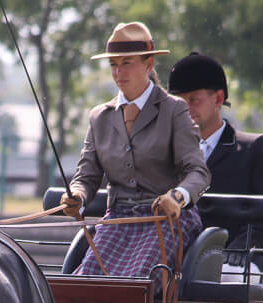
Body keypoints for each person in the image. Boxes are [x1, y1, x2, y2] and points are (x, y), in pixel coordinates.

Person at [60, 22, 209, 278]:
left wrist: (177, 196)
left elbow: (198, 171)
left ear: (149, 64)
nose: (119, 72)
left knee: (137, 280)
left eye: (127, 63)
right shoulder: (99, 117)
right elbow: (86, 176)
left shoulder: (174, 110)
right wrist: (77, 196)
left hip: (166, 220)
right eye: (113, 65)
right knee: (87, 279)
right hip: (118, 221)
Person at [166, 52, 263, 271]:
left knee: (229, 274)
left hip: (236, 260)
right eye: (179, 102)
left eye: (194, 100)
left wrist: (239, 248)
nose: (185, 108)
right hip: (173, 257)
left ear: (218, 99)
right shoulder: (163, 153)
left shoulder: (254, 149)